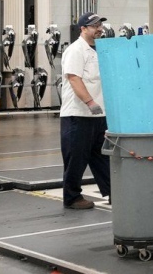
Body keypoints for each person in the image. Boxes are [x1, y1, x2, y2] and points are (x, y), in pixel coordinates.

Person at [59, 12, 112, 210]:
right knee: (76, 158)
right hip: (78, 114)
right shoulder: (75, 50)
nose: (99, 28)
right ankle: (72, 197)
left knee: (101, 156)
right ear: (83, 29)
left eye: (100, 24)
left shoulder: (99, 50)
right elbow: (74, 78)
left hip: (98, 114)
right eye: (94, 25)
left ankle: (113, 192)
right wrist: (89, 102)